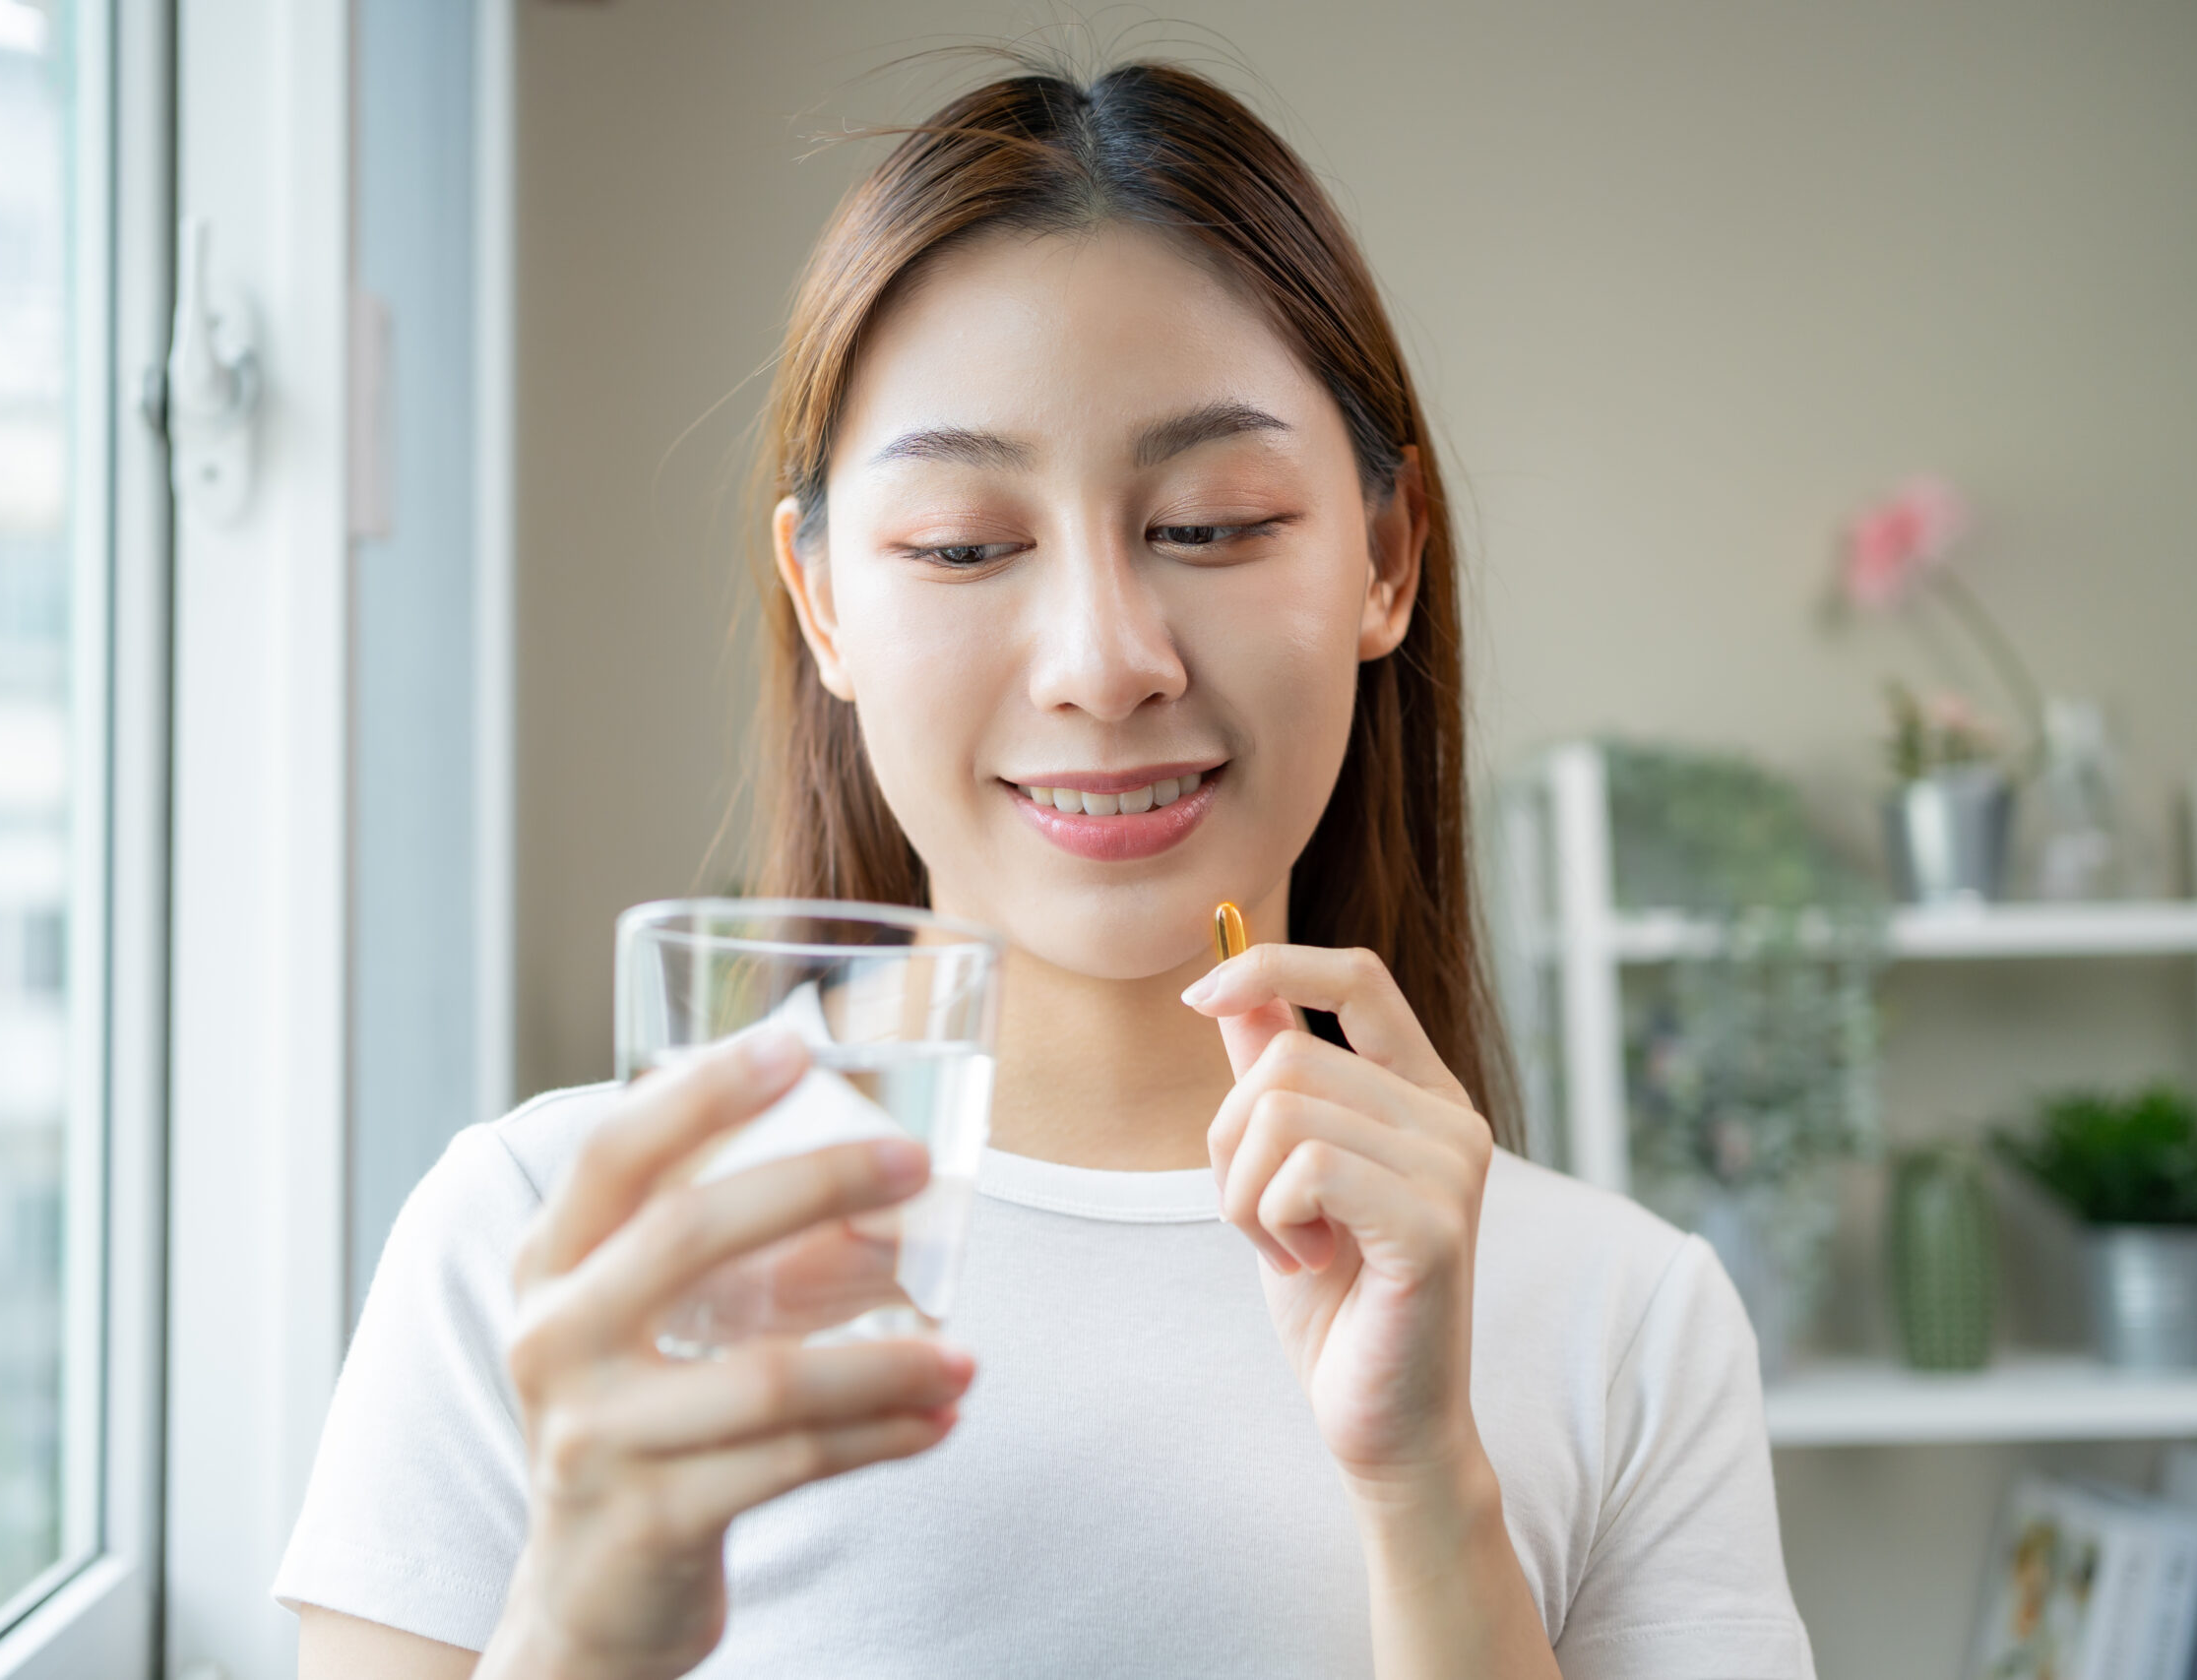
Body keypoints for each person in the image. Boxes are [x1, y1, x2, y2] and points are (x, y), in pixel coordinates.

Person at [278, 58, 1814, 1680]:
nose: (1102, 660)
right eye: (961, 543)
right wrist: (584, 1621)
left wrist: (1429, 1491)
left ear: (1387, 559)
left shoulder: (1626, 1321)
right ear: (824, 606)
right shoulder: (548, 1244)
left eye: (1214, 524)